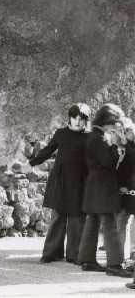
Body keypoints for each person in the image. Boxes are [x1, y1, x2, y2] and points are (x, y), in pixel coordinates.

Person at [29, 102, 90, 263]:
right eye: (74, 117)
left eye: (81, 118)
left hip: (79, 182)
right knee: (58, 217)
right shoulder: (61, 133)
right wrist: (31, 163)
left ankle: (75, 254)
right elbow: (47, 150)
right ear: (69, 118)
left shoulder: (88, 137)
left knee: (77, 219)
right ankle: (51, 253)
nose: (77, 121)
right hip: (61, 180)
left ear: (86, 120)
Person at [77, 102, 130, 277]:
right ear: (108, 121)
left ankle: (87, 260)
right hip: (103, 186)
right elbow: (108, 162)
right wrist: (116, 147)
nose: (116, 126)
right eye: (115, 122)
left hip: (94, 186)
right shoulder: (99, 138)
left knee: (92, 223)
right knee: (110, 225)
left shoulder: (93, 136)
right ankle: (114, 264)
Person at [116, 118, 135, 264]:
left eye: (126, 130)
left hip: (128, 189)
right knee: (122, 222)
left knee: (123, 221)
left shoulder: (128, 146)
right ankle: (121, 256)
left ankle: (123, 256)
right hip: (124, 189)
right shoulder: (122, 146)